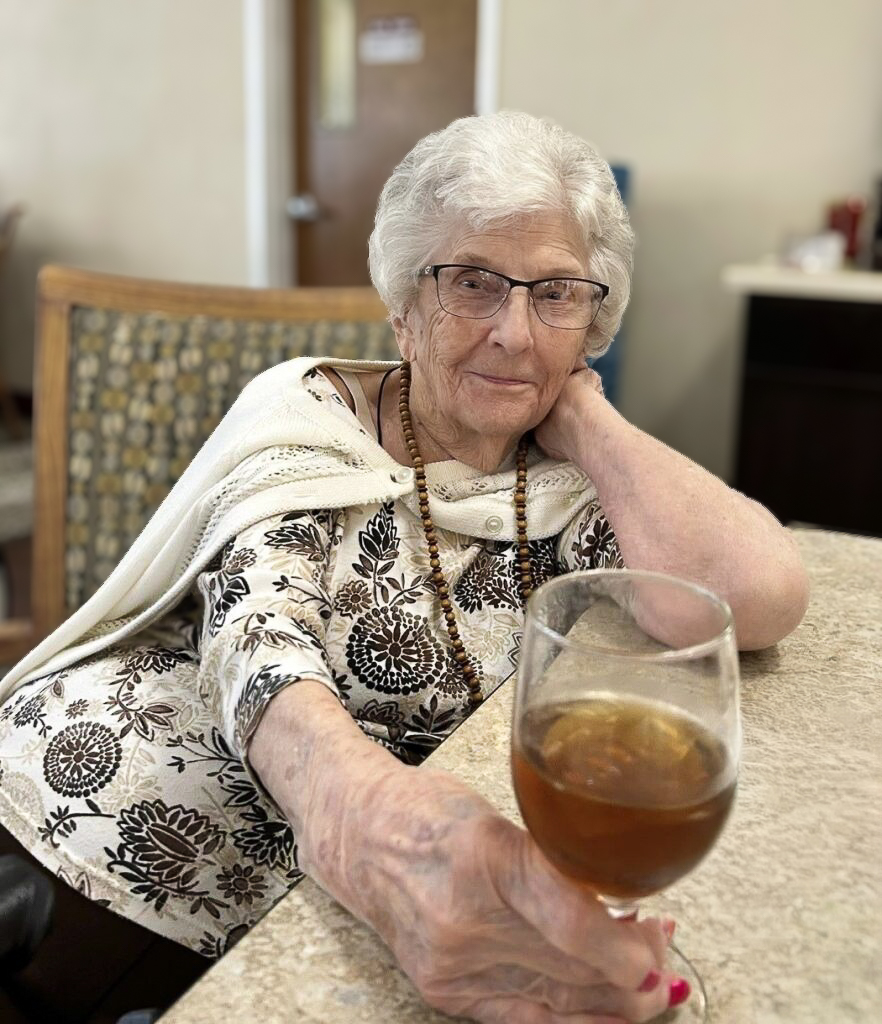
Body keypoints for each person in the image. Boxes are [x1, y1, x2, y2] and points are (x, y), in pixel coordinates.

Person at [0, 111, 809, 1024]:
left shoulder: (577, 484)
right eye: (472, 283)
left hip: (281, 912)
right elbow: (257, 635)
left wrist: (586, 416)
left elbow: (756, 597)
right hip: (75, 846)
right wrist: (366, 816)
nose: (514, 332)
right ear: (403, 308)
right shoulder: (311, 416)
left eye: (556, 294)